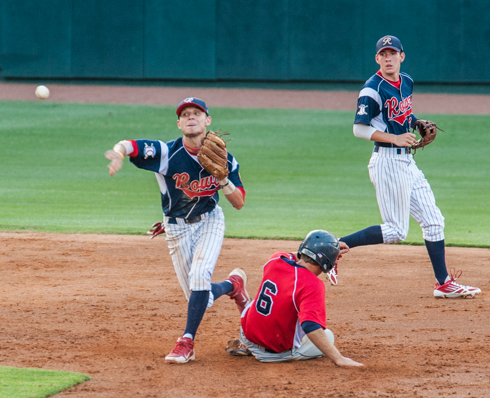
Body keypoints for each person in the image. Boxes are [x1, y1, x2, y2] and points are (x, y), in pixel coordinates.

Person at [104, 97, 251, 363]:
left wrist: (223, 179)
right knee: (200, 298)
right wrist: (118, 153)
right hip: (177, 230)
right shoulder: (166, 153)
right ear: (179, 123)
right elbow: (130, 145)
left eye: (197, 113)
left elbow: (239, 202)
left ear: (207, 121)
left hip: (210, 220)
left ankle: (187, 343)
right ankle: (233, 285)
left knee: (199, 276)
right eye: (185, 114)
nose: (191, 117)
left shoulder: (226, 159)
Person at [340, 35, 481, 298]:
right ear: (377, 59)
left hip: (406, 161)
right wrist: (394, 137)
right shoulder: (372, 89)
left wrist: (415, 121)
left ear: (402, 56)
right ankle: (334, 247)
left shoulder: (407, 81)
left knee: (434, 221)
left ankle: (443, 283)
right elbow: (358, 129)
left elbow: (401, 114)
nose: (388, 58)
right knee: (395, 230)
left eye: (393, 53)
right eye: (383, 54)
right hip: (387, 161)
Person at [225, 230, 363, 367]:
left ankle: (241, 297)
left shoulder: (276, 259)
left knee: (274, 298)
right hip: (272, 354)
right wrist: (339, 359)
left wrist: (324, 249)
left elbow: (300, 256)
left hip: (247, 334)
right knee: (328, 336)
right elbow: (311, 326)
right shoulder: (312, 284)